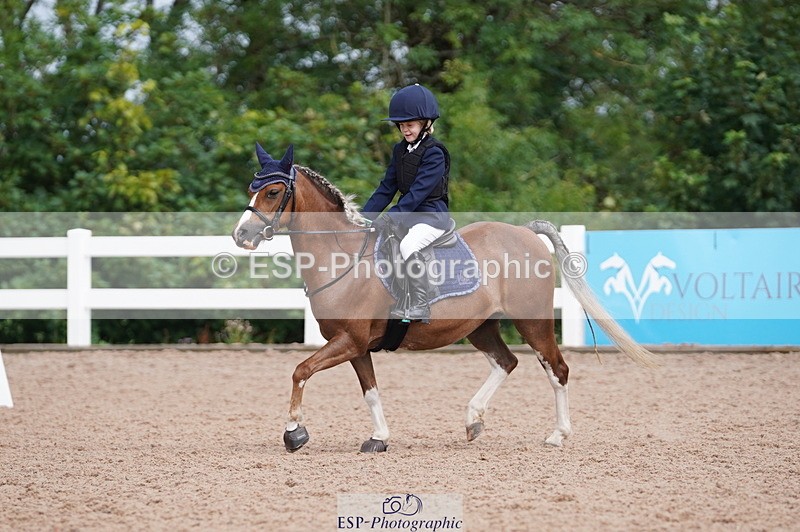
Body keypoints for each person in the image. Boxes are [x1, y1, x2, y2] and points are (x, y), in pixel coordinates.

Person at [363, 84, 451, 322]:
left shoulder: (435, 153)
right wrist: (364, 217)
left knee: (408, 246)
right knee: (380, 245)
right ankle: (397, 298)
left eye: (410, 125)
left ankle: (421, 305)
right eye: (401, 125)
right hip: (407, 216)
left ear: (425, 124)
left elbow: (417, 193)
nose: (405, 130)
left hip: (431, 216)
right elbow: (387, 187)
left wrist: (391, 217)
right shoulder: (400, 150)